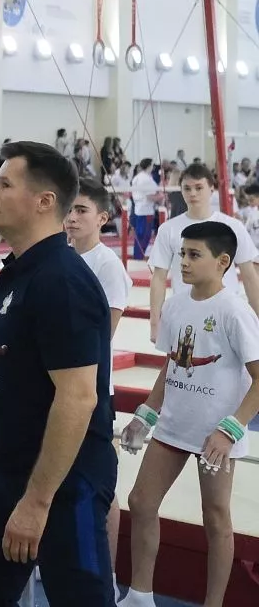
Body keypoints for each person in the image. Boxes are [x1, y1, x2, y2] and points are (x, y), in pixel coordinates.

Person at [0, 141, 117, 605]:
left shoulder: (62, 282)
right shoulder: (16, 274)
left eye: (5, 184)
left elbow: (78, 398)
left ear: (44, 201)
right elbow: (5, 372)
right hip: (12, 467)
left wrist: (38, 501)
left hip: (67, 482)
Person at [119, 221, 259, 607]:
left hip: (216, 436)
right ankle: (139, 594)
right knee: (141, 502)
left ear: (223, 262)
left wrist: (230, 429)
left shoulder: (234, 312)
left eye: (194, 255)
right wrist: (146, 413)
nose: (183, 262)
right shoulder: (177, 304)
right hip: (173, 427)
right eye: (182, 253)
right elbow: (173, 365)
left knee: (216, 519)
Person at [65, 177, 133, 590]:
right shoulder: (61, 258)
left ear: (102, 218)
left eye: (82, 211)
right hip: (55, 387)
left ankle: (104, 572)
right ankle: (59, 553)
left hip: (91, 391)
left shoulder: (108, 268)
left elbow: (100, 336)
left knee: (97, 484)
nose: (72, 218)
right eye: (69, 211)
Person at [148, 163, 259, 345]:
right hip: (185, 312)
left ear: (211, 189)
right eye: (187, 188)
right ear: (181, 190)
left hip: (226, 313)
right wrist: (154, 324)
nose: (193, 193)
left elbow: (249, 276)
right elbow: (158, 278)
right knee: (184, 369)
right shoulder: (168, 229)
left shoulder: (233, 227)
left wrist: (257, 318)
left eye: (199, 188)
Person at [130, 158, 160, 260]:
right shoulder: (146, 179)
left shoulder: (137, 177)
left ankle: (138, 255)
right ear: (149, 166)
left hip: (139, 209)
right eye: (152, 165)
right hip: (146, 210)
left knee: (140, 234)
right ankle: (138, 256)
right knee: (144, 235)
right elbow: (149, 196)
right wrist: (161, 197)